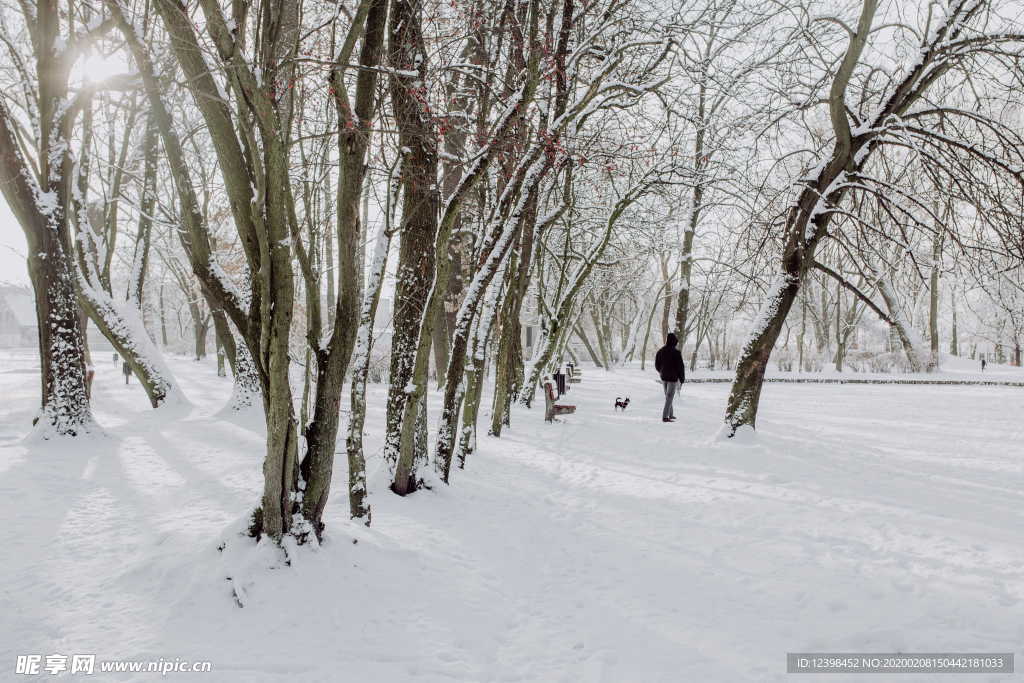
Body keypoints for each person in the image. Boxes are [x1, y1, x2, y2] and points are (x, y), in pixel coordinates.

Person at [654, 332, 685, 423]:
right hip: (672, 378)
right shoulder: (676, 353)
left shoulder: (660, 351)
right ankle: (665, 417)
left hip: (664, 377)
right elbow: (680, 367)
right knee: (669, 397)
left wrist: (661, 371)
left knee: (668, 397)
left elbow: (657, 365)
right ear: (674, 341)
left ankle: (670, 414)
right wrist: (682, 378)